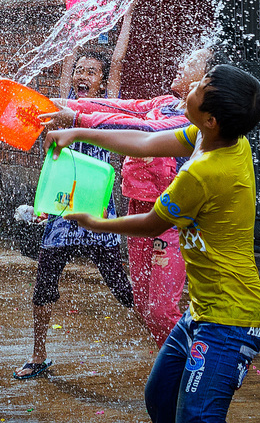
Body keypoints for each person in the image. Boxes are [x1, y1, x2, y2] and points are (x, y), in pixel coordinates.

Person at [49, 64, 260, 423]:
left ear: (212, 118)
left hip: (232, 320)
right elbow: (147, 141)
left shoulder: (203, 173)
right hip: (202, 313)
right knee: (160, 396)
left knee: (197, 417)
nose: (194, 84)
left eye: (203, 86)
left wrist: (97, 223)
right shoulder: (215, 137)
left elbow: (153, 223)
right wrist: (77, 133)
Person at [46, 45, 215, 344]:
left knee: (161, 310)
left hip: (174, 216)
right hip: (139, 208)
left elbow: (144, 130)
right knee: (141, 305)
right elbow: (121, 107)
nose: (181, 63)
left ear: (205, 80)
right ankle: (175, 369)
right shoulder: (165, 103)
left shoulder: (193, 121)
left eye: (191, 62)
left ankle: (195, 368)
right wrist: (55, 103)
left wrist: (77, 122)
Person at [13, 43, 133, 381]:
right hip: (63, 204)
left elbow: (119, 59)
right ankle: (38, 354)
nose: (82, 76)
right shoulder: (60, 103)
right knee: (45, 280)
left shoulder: (107, 105)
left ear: (103, 82)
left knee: (120, 286)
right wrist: (75, 19)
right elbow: (67, 58)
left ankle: (167, 342)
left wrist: (125, 15)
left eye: (91, 72)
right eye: (79, 70)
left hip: (97, 204)